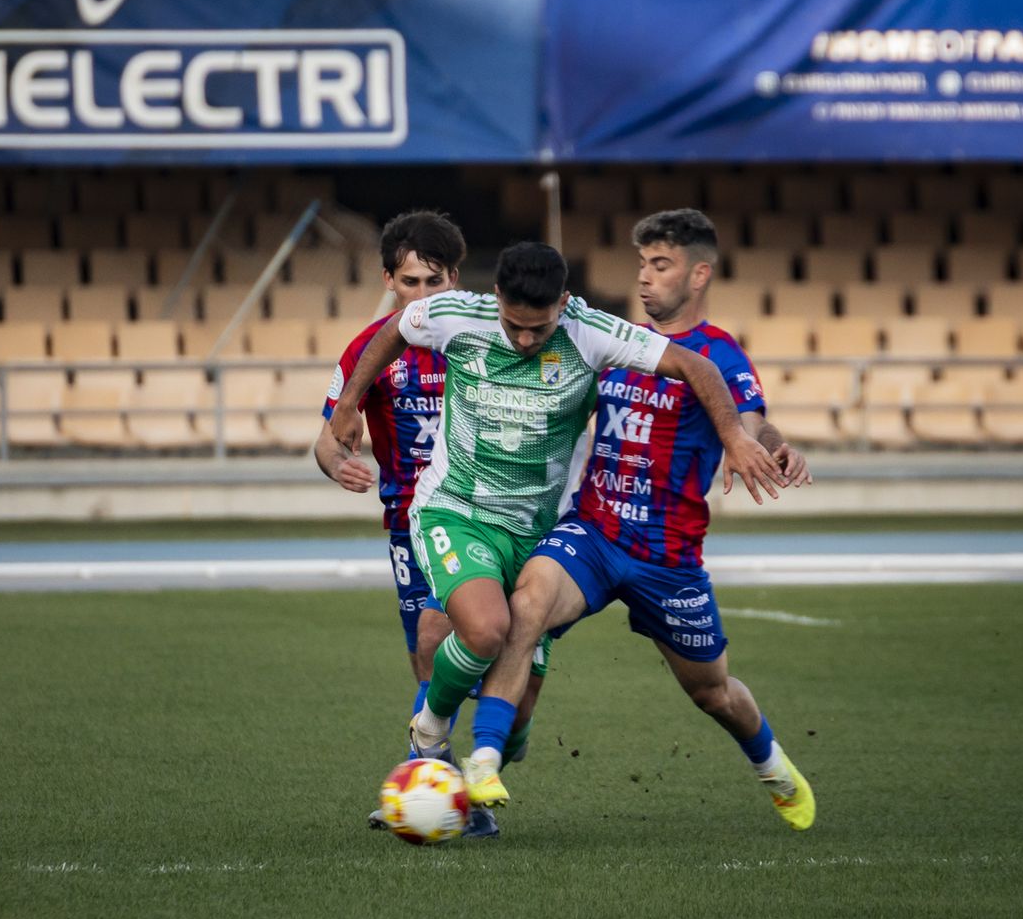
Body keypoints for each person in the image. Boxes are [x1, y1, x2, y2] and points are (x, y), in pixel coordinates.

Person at [331, 241, 786, 809]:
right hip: (457, 509)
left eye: (538, 330)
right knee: (486, 628)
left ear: (564, 303)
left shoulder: (591, 332)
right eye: (515, 326)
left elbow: (693, 364)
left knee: (519, 714)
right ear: (495, 298)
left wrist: (735, 436)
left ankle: (496, 745)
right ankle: (429, 732)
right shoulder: (457, 315)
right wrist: (349, 400)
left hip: (538, 528)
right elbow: (397, 326)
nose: (524, 340)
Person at [464, 209, 817, 829]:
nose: (646, 279)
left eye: (661, 265)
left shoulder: (719, 354)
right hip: (595, 533)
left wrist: (767, 443)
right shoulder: (618, 341)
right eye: (641, 265)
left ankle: (773, 767)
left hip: (668, 558)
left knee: (713, 693)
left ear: (699, 274)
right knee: (528, 605)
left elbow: (752, 418)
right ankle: (483, 763)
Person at [313, 212, 531, 837]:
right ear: (389, 280)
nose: (424, 297)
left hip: (487, 515)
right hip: (411, 521)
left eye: (435, 282)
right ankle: (445, 787)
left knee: (459, 651)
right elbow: (327, 442)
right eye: (411, 282)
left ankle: (440, 780)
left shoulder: (491, 334)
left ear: (457, 279)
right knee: (431, 662)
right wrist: (340, 466)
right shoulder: (368, 350)